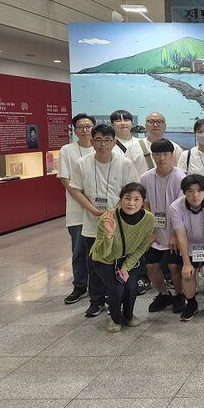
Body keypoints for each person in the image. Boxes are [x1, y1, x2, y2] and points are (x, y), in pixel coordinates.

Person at [68, 124, 139, 317]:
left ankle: (114, 301)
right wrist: (92, 209)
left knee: (117, 264)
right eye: (98, 140)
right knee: (95, 265)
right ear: (91, 142)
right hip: (92, 224)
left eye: (107, 140)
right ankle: (96, 301)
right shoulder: (82, 163)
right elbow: (76, 190)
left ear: (114, 142)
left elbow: (132, 191)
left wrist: (115, 211)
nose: (103, 144)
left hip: (119, 224)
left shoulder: (125, 163)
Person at [89, 183, 154, 332]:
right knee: (117, 289)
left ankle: (128, 315)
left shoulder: (149, 219)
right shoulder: (108, 217)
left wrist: (126, 267)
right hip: (105, 260)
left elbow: (141, 247)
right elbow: (102, 252)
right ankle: (115, 318)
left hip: (128, 259)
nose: (131, 203)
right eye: (127, 198)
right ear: (121, 199)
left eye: (136, 199)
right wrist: (109, 235)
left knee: (131, 287)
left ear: (142, 201)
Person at [140, 138, 186, 314]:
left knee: (174, 267)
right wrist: (150, 231)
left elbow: (181, 208)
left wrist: (175, 234)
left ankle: (179, 295)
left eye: (165, 154)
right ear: (152, 156)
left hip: (175, 230)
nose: (161, 158)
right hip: (156, 230)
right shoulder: (146, 177)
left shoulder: (180, 177)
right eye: (157, 154)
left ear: (172, 155)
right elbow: (145, 205)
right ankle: (163, 294)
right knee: (151, 266)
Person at [169, 174, 204, 321]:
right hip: (189, 241)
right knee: (187, 272)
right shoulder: (175, 207)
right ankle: (191, 303)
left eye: (199, 191)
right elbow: (181, 236)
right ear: (184, 192)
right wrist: (186, 264)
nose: (195, 195)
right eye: (190, 191)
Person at [59, 113, 96, 304]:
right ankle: (80, 285)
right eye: (80, 127)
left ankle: (99, 287)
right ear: (75, 130)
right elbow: (65, 179)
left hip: (101, 211)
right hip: (77, 210)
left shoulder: (103, 148)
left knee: (101, 251)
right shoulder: (67, 150)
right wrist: (86, 202)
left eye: (88, 126)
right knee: (79, 250)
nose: (85, 130)